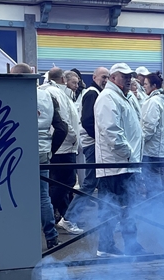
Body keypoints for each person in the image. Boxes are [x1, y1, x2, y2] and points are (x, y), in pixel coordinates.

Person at [12, 63, 68, 250]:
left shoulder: (11, 95)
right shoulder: (48, 96)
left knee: (14, 194)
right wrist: (50, 149)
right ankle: (51, 237)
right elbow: (62, 128)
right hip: (42, 150)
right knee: (43, 195)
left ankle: (19, 236)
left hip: (16, 151)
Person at [94, 63, 145, 257]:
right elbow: (112, 132)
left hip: (125, 163)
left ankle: (131, 245)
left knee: (128, 208)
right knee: (112, 209)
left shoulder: (125, 96)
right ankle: (106, 246)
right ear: (113, 78)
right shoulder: (108, 98)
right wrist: (130, 155)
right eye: (124, 76)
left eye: (130, 76)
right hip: (115, 164)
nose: (129, 79)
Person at [44, 67, 83, 235]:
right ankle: (48, 213)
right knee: (65, 183)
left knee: (58, 183)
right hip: (64, 146)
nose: (75, 85)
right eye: (72, 82)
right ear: (63, 80)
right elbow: (65, 122)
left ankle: (63, 217)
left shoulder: (48, 91)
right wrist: (74, 139)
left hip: (58, 145)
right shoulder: (57, 93)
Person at [71, 66, 109, 227]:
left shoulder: (96, 93)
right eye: (103, 77)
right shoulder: (92, 93)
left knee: (98, 182)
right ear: (94, 77)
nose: (105, 80)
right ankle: (70, 217)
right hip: (93, 144)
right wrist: (99, 139)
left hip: (94, 143)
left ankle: (104, 216)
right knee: (90, 182)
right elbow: (87, 120)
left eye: (108, 77)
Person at [140, 71, 164, 198]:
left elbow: (149, 126)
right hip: (160, 147)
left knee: (153, 180)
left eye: (146, 84)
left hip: (152, 148)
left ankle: (156, 207)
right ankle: (163, 205)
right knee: (160, 176)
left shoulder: (153, 101)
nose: (144, 86)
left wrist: (141, 141)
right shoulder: (162, 100)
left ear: (154, 86)